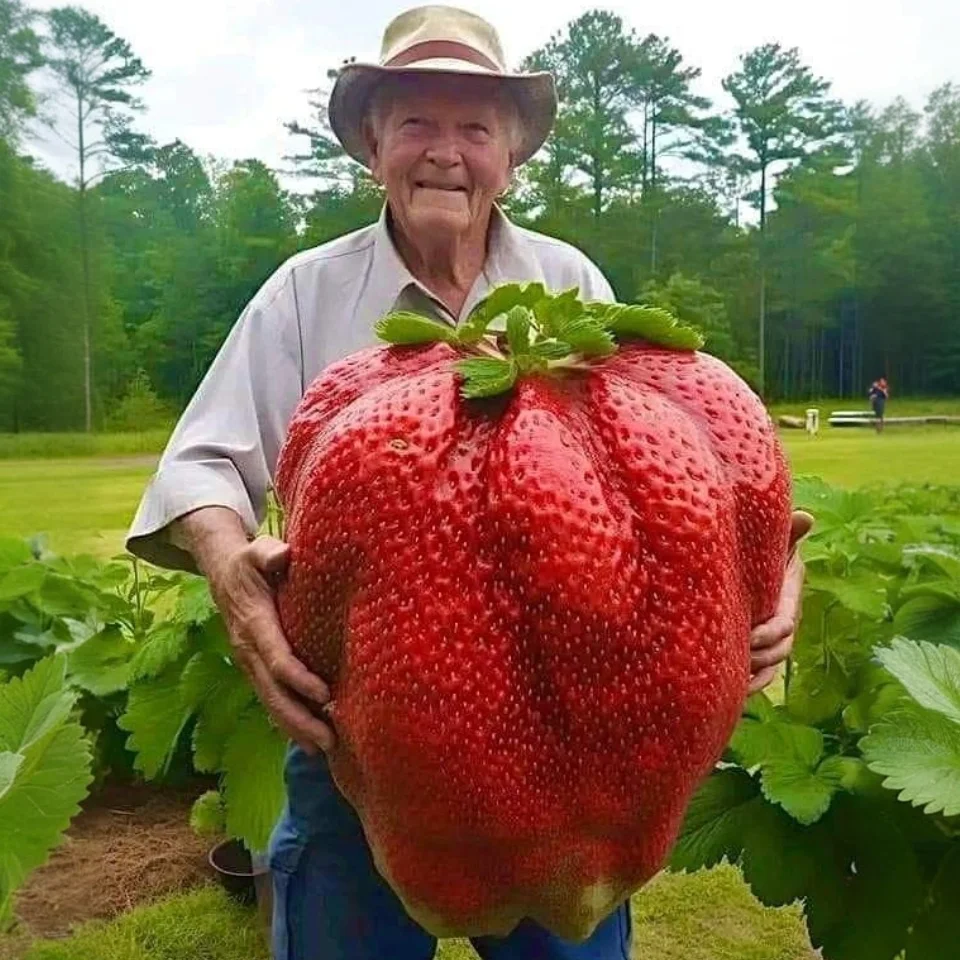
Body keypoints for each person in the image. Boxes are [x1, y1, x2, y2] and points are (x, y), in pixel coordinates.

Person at [125, 6, 812, 958]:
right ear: (374, 149)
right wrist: (232, 576)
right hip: (360, 733)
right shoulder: (305, 292)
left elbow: (672, 456)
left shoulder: (569, 284)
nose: (445, 151)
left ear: (511, 157)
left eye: (475, 127)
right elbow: (202, 461)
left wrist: (763, 565)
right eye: (416, 122)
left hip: (574, 745)